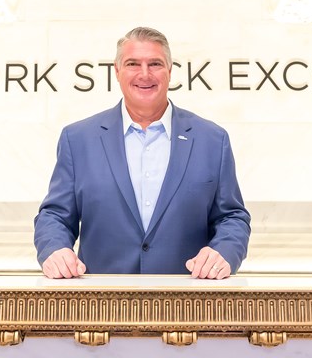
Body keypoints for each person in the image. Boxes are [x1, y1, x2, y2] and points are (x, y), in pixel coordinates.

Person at [33, 26, 250, 279]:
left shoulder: (212, 140)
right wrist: (55, 249)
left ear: (169, 71)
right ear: (117, 71)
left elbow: (232, 217)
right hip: (100, 305)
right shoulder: (78, 139)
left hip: (189, 303)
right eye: (133, 64)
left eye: (155, 64)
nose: (144, 74)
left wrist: (224, 251)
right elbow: (55, 215)